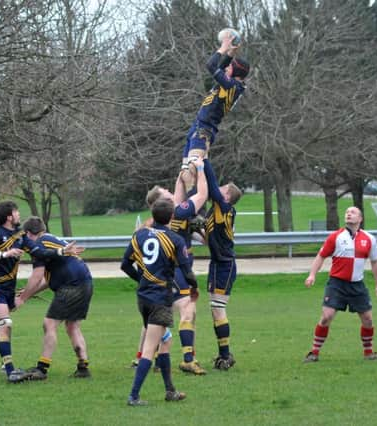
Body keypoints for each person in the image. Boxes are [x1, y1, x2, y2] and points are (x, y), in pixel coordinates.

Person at [0, 202, 81, 382]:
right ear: (9, 216)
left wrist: (61, 251)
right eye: (16, 212)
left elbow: (39, 252)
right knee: (5, 325)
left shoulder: (20, 235)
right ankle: (10, 371)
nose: (18, 215)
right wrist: (4, 254)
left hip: (8, 289)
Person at [133, 157, 208, 375]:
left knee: (160, 316)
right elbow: (201, 194)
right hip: (175, 270)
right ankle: (187, 359)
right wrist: (200, 168)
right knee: (186, 309)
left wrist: (184, 168)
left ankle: (153, 357)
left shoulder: (159, 219)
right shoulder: (177, 212)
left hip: (162, 274)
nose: (170, 191)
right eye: (166, 192)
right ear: (160, 202)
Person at [121, 198, 197, 406]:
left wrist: (142, 279)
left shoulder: (140, 235)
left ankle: (170, 390)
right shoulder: (174, 239)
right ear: (172, 217)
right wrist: (194, 288)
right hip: (160, 299)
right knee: (150, 348)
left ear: (152, 216)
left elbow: (125, 265)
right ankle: (133, 396)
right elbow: (187, 271)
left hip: (143, 298)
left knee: (166, 340)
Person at [303, 206, 377, 362]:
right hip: (337, 284)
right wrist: (312, 275)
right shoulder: (335, 237)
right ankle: (314, 353)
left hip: (357, 285)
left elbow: (375, 262)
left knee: (367, 319)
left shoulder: (369, 239)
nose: (348, 214)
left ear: (360, 219)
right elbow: (321, 256)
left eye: (353, 212)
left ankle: (369, 353)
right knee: (326, 317)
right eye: (347, 212)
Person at [16, 216, 92, 381]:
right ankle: (83, 366)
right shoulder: (49, 239)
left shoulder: (38, 244)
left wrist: (22, 298)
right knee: (72, 326)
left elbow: (37, 276)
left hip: (71, 285)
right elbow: (47, 278)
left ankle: (42, 368)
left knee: (49, 323)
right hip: (85, 283)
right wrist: (31, 292)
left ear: (28, 233)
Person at [180, 31, 250, 196]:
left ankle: (194, 213)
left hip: (204, 130)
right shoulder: (231, 82)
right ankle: (186, 208)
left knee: (193, 171)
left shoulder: (232, 86)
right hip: (196, 128)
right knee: (185, 174)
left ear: (235, 72)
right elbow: (219, 67)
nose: (226, 68)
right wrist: (230, 54)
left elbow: (212, 66)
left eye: (230, 66)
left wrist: (223, 48)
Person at [202, 158, 243, 370]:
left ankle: (226, 355)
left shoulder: (224, 207)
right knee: (214, 309)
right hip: (216, 263)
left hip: (225, 265)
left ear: (227, 196)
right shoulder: (214, 211)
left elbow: (210, 181)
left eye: (223, 188)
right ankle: (223, 353)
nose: (219, 189)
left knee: (218, 308)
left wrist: (205, 160)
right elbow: (207, 238)